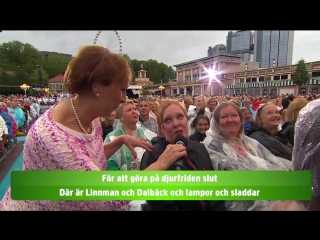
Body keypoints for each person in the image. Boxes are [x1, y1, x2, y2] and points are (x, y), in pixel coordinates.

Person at [0, 46, 153, 211]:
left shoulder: (87, 118)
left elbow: (86, 159)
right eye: (122, 90)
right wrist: (163, 163)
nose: (124, 99)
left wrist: (120, 141)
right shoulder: (53, 137)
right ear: (97, 87)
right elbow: (108, 196)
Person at [203, 102, 291, 211]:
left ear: (240, 119)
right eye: (224, 117)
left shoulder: (249, 142)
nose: (230, 120)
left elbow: (271, 159)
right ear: (216, 122)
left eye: (234, 115)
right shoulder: (213, 146)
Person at [140, 99, 225, 211]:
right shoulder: (152, 155)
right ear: (162, 128)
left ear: (187, 120)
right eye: (168, 120)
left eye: (180, 117)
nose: (176, 123)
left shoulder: (199, 148)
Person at [105, 99, 156, 170]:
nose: (134, 112)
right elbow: (109, 163)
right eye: (129, 110)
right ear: (121, 116)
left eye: (135, 109)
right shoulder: (112, 137)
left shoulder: (148, 134)